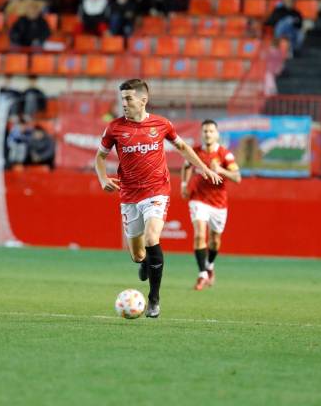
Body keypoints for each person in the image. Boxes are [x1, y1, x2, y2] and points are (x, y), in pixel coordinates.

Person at [94, 79, 222, 318]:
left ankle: (154, 299)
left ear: (143, 100)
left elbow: (183, 148)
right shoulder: (114, 128)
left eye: (129, 99)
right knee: (138, 255)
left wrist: (203, 167)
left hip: (157, 190)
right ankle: (144, 262)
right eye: (122, 99)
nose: (124, 103)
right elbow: (99, 157)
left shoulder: (161, 124)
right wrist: (103, 179)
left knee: (153, 237)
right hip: (129, 195)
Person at [180, 120, 241, 291]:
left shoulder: (225, 154)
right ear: (201, 133)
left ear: (217, 134)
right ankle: (202, 275)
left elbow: (237, 177)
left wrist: (220, 170)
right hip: (198, 198)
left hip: (219, 203)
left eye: (211, 131)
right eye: (205, 131)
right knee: (200, 235)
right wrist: (184, 185)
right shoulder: (196, 152)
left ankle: (210, 265)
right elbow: (186, 166)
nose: (208, 134)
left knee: (215, 240)